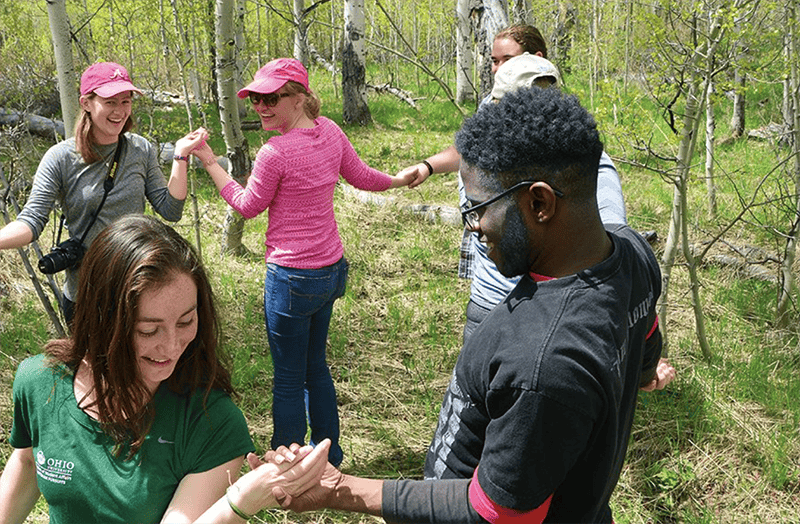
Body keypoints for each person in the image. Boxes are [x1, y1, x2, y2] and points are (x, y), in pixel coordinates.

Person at [264, 86, 675, 523]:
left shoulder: (543, 363)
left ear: (539, 202)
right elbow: (647, 340)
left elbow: (495, 513)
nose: (474, 225)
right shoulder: (632, 254)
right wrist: (642, 375)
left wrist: (339, 489)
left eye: (479, 208)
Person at [0, 214, 331, 523]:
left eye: (186, 321)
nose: (172, 346)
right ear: (102, 321)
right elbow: (28, 461)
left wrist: (244, 498)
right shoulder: (40, 383)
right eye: (148, 330)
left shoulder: (210, 420)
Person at [184, 58, 416, 468]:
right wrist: (397, 180)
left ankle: (287, 466)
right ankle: (330, 457)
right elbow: (361, 175)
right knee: (316, 369)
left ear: (300, 97)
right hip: (330, 272)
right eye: (255, 98)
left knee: (290, 379)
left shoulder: (275, 152)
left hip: (291, 279)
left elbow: (247, 205)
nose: (260, 106)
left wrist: (208, 161)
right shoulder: (329, 131)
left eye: (271, 98)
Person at [396, 25, 628, 344]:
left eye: (507, 59)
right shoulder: (492, 111)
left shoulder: (576, 152)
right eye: (494, 60)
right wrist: (428, 166)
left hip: (541, 298)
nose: (498, 68)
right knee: (472, 381)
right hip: (489, 292)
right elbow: (466, 150)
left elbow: (612, 229)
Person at [0, 61, 205, 325]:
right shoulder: (61, 158)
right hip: (85, 293)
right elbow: (31, 221)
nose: (119, 111)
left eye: (126, 101)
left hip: (134, 288)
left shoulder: (140, 149)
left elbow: (170, 209)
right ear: (86, 102)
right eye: (110, 102)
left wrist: (180, 156)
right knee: (91, 367)